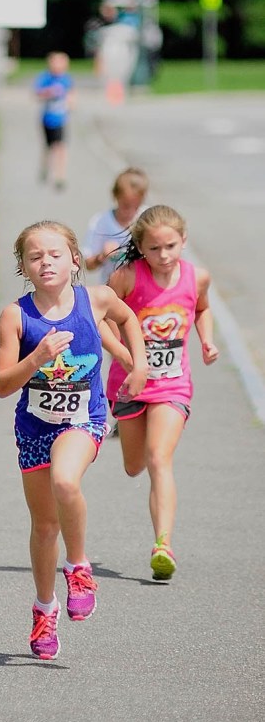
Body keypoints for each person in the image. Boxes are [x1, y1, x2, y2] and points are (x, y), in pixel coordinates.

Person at [0, 220, 148, 660]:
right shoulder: (16, 316)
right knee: (44, 527)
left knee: (66, 480)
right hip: (35, 427)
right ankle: (45, 609)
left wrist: (135, 363)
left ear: (75, 260)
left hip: (85, 419)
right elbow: (3, 385)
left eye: (55, 254)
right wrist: (38, 357)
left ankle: (79, 567)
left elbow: (128, 318)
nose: (46, 262)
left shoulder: (94, 300)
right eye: (35, 256)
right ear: (24, 266)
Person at [105, 205, 219, 581]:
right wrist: (127, 357)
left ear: (184, 241)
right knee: (134, 466)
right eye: (154, 249)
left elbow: (201, 308)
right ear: (140, 246)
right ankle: (123, 428)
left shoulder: (196, 277)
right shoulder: (126, 278)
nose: (164, 256)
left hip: (173, 384)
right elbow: (101, 319)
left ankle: (163, 545)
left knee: (158, 458)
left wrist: (207, 341)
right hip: (128, 384)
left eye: (171, 246)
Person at [82, 167, 149, 284]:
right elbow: (87, 264)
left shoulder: (148, 217)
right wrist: (102, 256)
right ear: (115, 196)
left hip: (141, 288)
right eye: (126, 205)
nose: (131, 211)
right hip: (111, 289)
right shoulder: (101, 222)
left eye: (136, 206)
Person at [34, 51, 75, 190]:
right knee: (48, 147)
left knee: (61, 148)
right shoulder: (45, 78)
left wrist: (71, 104)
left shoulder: (66, 79)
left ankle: (60, 176)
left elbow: (71, 94)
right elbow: (37, 93)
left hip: (61, 119)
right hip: (47, 119)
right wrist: (48, 92)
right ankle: (45, 169)